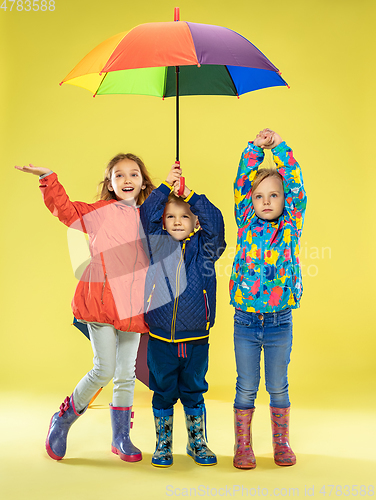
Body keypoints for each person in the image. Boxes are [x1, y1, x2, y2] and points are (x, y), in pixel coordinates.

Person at [15, 153, 155, 462]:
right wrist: (48, 177)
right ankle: (63, 420)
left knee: (125, 373)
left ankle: (121, 437)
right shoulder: (101, 213)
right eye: (120, 175)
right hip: (100, 301)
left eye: (134, 174)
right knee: (103, 369)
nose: (128, 180)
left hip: (132, 307)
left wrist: (179, 188)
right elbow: (66, 211)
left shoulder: (151, 216)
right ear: (110, 183)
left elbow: (177, 225)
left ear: (144, 182)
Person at [229, 129, 307, 469]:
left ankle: (281, 442)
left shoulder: (291, 223)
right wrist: (253, 151)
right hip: (245, 320)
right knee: (246, 387)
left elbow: (297, 188)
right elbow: (240, 184)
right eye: (259, 196)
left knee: (278, 386)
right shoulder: (245, 220)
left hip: (279, 321)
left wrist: (279, 148)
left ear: (283, 200)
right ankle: (242, 446)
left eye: (273, 195)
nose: (265, 201)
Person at [140, 165, 226, 467]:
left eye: (185, 216)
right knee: (163, 392)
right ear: (163, 223)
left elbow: (216, 222)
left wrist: (189, 194)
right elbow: (146, 213)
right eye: (171, 216)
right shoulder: (157, 244)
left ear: (195, 222)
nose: (178, 221)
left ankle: (197, 442)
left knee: (193, 390)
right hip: (161, 338)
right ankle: (163, 444)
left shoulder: (206, 248)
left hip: (196, 339)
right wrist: (166, 186)